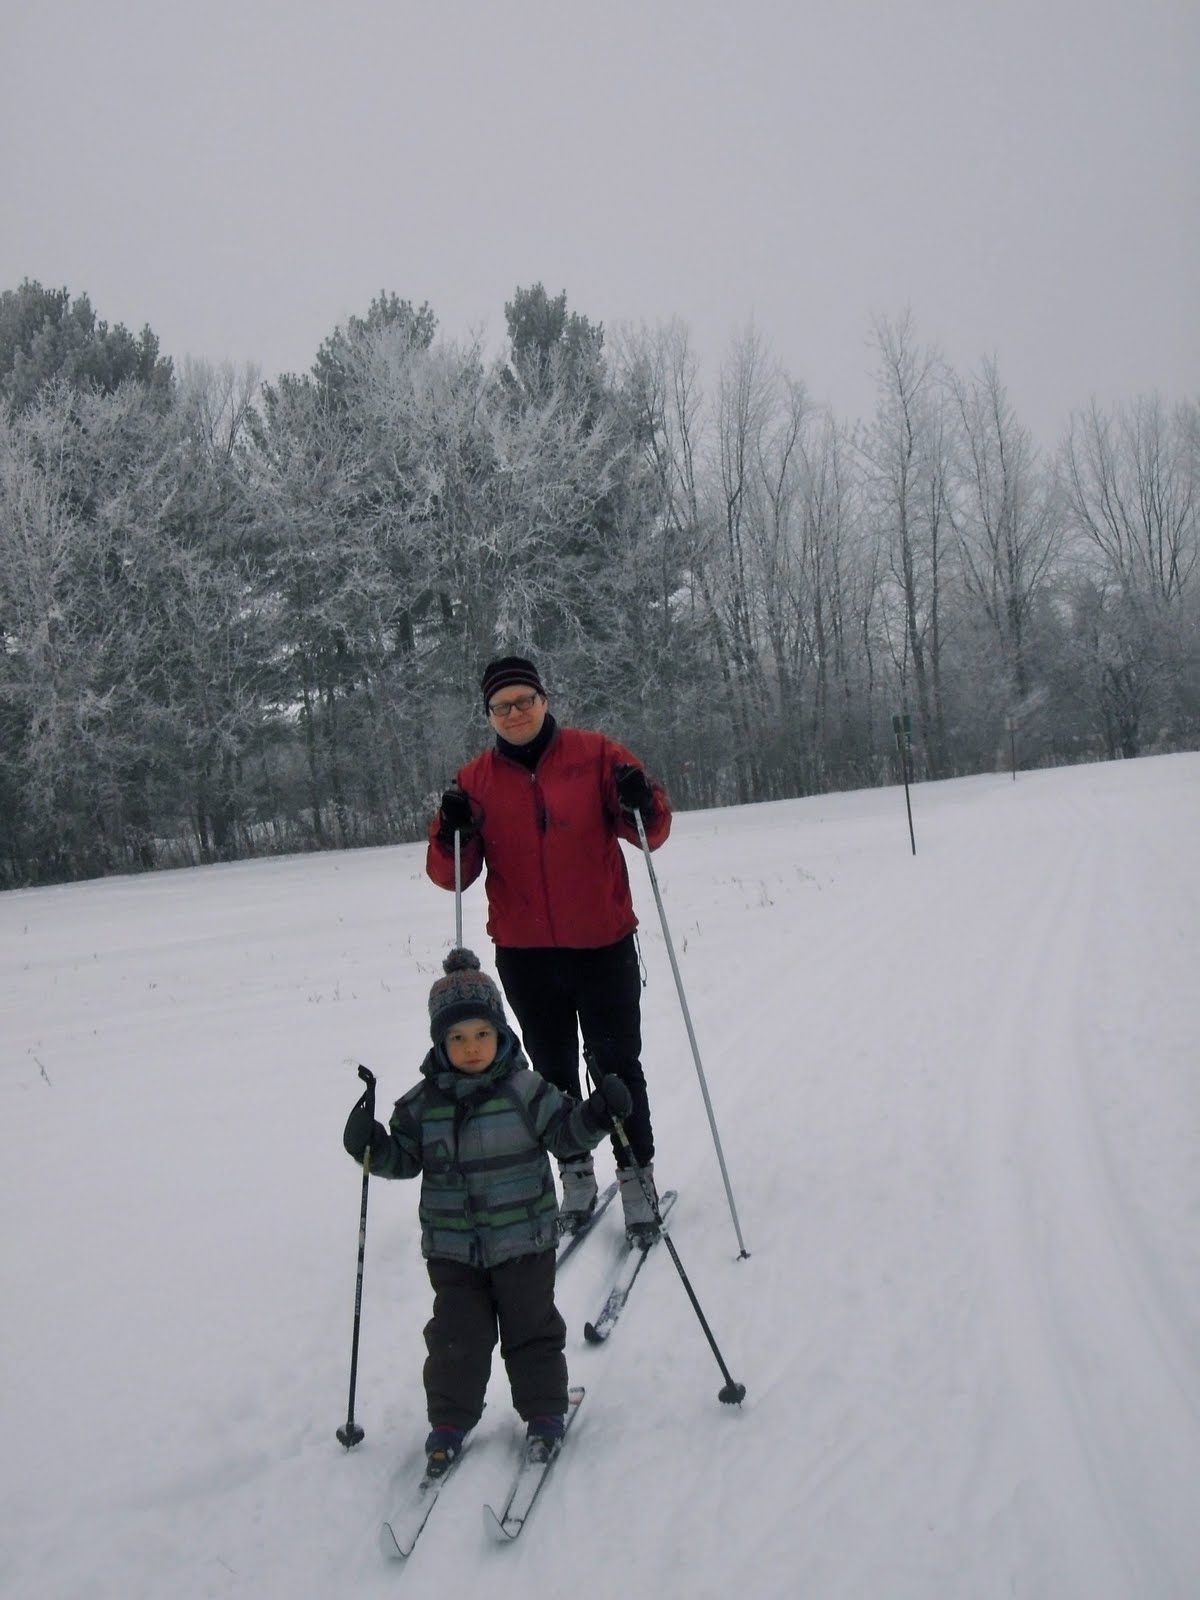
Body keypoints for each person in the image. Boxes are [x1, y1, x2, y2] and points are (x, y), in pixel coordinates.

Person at [342, 947, 631, 1475]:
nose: (471, 1048)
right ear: (439, 1042)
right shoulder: (421, 1105)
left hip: (525, 1244)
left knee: (532, 1331)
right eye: (457, 1038)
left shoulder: (527, 1090)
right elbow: (402, 1159)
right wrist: (371, 1146)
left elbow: (567, 1134)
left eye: (481, 1034)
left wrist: (597, 1112)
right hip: (454, 1253)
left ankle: (544, 1413)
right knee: (456, 1340)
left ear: (500, 1032)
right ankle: (448, 1423)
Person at [425, 654, 671, 1246]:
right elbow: (452, 875)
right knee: (550, 1072)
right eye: (502, 706)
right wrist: (449, 828)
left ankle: (637, 1177)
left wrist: (642, 799)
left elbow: (651, 832)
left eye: (524, 701)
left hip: (603, 941)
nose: (515, 714)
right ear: (488, 715)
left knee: (615, 1064)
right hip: (526, 951)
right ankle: (576, 1174)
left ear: (544, 699)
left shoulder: (598, 754)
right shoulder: (475, 781)